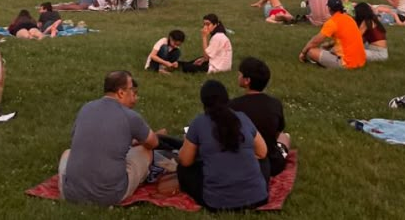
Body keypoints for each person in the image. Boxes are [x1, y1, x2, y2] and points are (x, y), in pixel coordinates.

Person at [58, 70, 159, 206]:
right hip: (111, 195)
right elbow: (153, 143)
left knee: (67, 153)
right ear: (121, 92)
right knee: (145, 151)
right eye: (131, 89)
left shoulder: (86, 108)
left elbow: (77, 138)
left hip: (71, 193)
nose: (133, 93)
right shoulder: (130, 116)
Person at [177, 79, 268, 210]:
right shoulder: (242, 117)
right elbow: (262, 152)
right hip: (258, 198)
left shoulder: (199, 123)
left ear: (204, 102)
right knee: (264, 162)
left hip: (217, 202)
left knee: (183, 170)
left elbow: (185, 161)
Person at [230, 57, 290, 179]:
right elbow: (277, 134)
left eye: (239, 74)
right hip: (272, 163)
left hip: (243, 162)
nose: (238, 76)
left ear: (247, 80)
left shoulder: (233, 106)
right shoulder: (275, 103)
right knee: (285, 137)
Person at [299, 0, 366, 69]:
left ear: (329, 8)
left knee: (311, 52)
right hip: (361, 60)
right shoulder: (349, 18)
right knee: (328, 49)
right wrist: (328, 44)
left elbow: (316, 41)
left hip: (347, 63)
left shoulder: (332, 22)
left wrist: (303, 52)